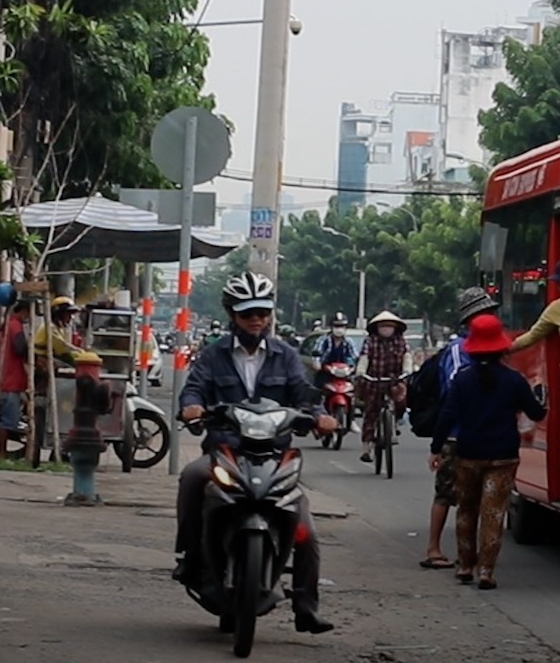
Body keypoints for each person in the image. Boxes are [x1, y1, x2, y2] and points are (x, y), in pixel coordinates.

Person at [174, 271, 337, 634]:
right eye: (248, 313)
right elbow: (194, 389)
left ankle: (306, 607)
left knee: (305, 530)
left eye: (262, 312)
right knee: (192, 476)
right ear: (232, 314)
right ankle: (189, 556)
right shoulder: (214, 356)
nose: (256, 320)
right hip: (225, 454)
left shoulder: (287, 356)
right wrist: (192, 407)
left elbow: (304, 394)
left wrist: (320, 416)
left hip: (275, 459)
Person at [430, 314, 546, 589]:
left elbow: (446, 416)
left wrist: (436, 449)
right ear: (501, 347)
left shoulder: (462, 380)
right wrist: (543, 399)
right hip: (503, 455)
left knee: (467, 510)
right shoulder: (514, 380)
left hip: (468, 453)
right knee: (493, 514)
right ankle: (486, 571)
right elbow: (536, 412)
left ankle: (465, 566)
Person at [421, 287, 498, 570]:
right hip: (457, 433)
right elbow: (454, 392)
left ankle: (471, 557)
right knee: (447, 492)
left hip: (484, 432)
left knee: (476, 498)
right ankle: (433, 549)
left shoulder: (494, 349)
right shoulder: (457, 350)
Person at [357, 310, 414, 464]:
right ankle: (367, 447)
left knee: (402, 401)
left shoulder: (401, 341)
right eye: (383, 326)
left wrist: (407, 370)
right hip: (374, 380)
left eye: (389, 326)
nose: (386, 329)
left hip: (395, 380)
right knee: (371, 412)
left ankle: (394, 422)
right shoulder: (370, 342)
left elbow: (407, 357)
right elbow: (364, 358)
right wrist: (361, 371)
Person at [0, 300, 31, 459]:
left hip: (5, 379)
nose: (29, 317)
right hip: (11, 381)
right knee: (6, 421)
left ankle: (3, 452)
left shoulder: (5, 326)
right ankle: (2, 453)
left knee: (6, 420)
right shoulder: (15, 325)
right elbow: (19, 347)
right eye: (28, 313)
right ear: (23, 311)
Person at [32, 296, 86, 365]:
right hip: (41, 361)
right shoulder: (50, 328)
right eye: (68, 314)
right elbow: (62, 349)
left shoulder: (57, 328)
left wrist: (79, 352)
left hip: (47, 358)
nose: (70, 317)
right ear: (59, 314)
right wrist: (78, 356)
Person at [311, 312, 358, 391]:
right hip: (326, 373)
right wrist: (317, 363)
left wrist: (353, 368)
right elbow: (317, 354)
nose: (339, 329)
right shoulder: (323, 340)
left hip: (344, 374)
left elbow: (355, 356)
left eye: (342, 326)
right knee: (317, 393)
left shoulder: (349, 342)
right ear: (331, 327)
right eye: (337, 326)